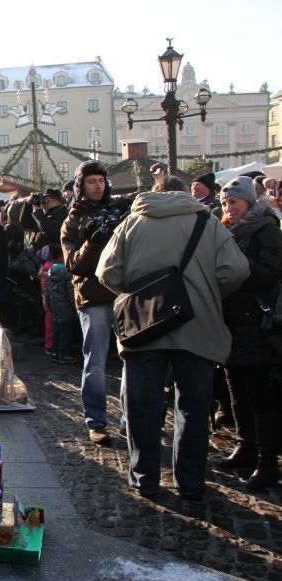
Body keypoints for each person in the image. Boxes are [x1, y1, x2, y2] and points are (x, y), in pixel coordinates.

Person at [96, 186, 249, 500]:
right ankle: (190, 481)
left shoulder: (133, 222)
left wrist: (141, 291)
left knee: (142, 405)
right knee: (193, 407)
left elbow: (107, 271)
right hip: (197, 324)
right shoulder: (208, 223)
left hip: (144, 325)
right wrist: (206, 293)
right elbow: (236, 269)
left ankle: (144, 478)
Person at [215, 176, 282, 491]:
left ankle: (267, 462)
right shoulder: (227, 230)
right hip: (232, 322)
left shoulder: (266, 228)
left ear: (249, 203)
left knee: (260, 396)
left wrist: (239, 263)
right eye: (226, 203)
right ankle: (245, 447)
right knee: (237, 391)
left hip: (257, 323)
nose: (229, 208)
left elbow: (270, 275)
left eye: (234, 203)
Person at [60, 160, 131, 446]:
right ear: (81, 186)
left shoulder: (120, 211)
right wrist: (93, 241)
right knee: (96, 363)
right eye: (91, 181)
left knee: (133, 359)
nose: (98, 186)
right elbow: (73, 264)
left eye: (101, 180)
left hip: (124, 294)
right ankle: (96, 421)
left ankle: (130, 417)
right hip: (93, 297)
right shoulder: (72, 220)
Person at [46, 244, 76, 364]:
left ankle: (55, 352)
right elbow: (70, 291)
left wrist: (48, 303)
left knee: (57, 329)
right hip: (65, 305)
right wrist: (74, 306)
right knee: (65, 330)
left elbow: (47, 290)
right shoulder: (66, 271)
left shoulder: (50, 270)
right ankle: (64, 354)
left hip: (54, 304)